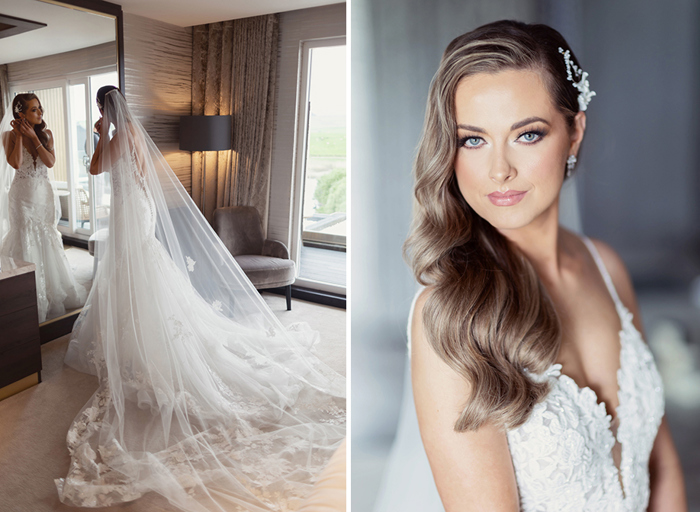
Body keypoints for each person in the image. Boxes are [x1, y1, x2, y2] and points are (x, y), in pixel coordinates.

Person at [390, 20, 687, 511]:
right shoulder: (450, 316)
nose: (499, 170)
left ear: (574, 133)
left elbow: (661, 463)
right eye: (473, 140)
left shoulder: (604, 265)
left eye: (527, 135)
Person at [55, 86, 345, 511]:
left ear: (104, 109)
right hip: (136, 208)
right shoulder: (135, 132)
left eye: (102, 111)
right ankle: (130, 335)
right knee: (138, 269)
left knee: (134, 270)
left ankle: (141, 344)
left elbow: (97, 168)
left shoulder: (117, 135)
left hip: (130, 210)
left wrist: (99, 133)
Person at [0, 93, 85, 322]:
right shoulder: (8, 135)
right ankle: (26, 296)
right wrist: (19, 136)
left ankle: (52, 293)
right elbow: (16, 163)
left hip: (43, 195)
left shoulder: (46, 134)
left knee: (47, 237)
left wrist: (33, 137)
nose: (40, 112)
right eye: (34, 110)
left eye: (40, 108)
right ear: (21, 114)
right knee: (25, 237)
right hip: (21, 197)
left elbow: (49, 162)